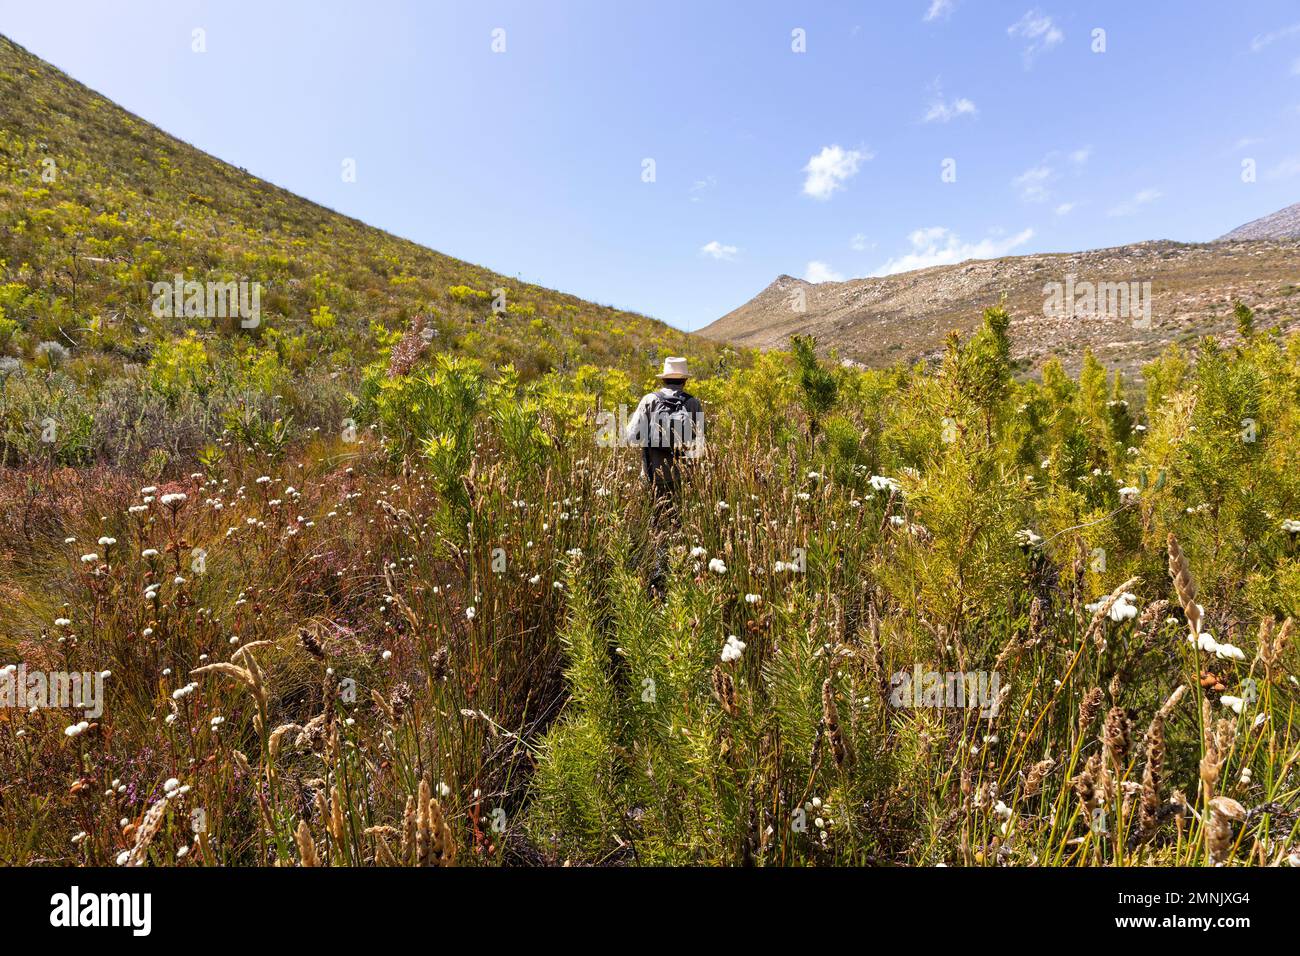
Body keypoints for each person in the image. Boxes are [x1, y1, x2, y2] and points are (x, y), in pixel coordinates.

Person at [625, 357, 704, 595]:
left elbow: (630, 436)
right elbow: (699, 445)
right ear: (685, 379)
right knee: (677, 527)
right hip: (681, 479)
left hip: (650, 478)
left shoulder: (649, 400)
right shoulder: (693, 403)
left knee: (654, 526)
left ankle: (654, 578)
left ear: (664, 377)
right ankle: (676, 576)